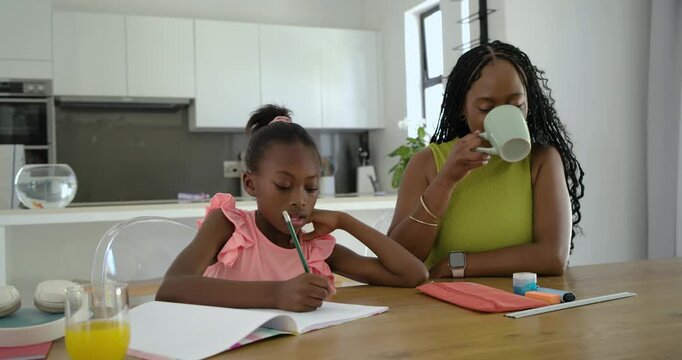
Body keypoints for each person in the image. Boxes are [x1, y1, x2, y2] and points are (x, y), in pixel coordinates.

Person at [157, 105, 428, 312]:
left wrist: (345, 221)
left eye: (311, 188)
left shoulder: (314, 247)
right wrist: (277, 294)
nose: (300, 200)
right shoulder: (228, 226)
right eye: (284, 186)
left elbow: (413, 275)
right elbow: (171, 287)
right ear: (251, 184)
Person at [388, 41, 585, 278]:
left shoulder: (541, 160)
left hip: (523, 304)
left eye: (516, 105)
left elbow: (552, 257)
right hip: (445, 308)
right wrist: (447, 179)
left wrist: (456, 264)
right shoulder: (428, 163)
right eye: (485, 108)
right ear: (462, 107)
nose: (502, 116)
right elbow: (399, 258)